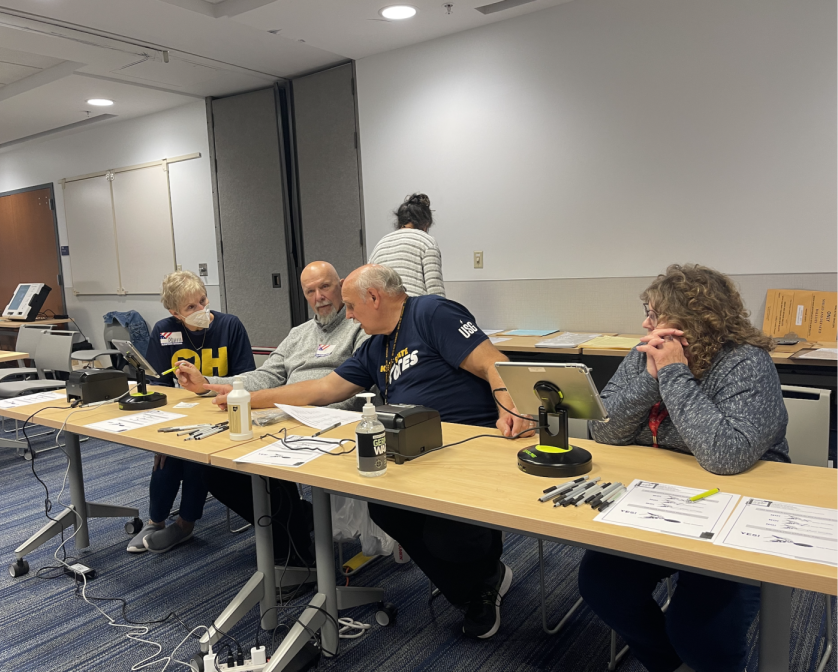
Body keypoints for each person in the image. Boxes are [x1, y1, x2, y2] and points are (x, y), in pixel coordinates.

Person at [210, 264, 531, 639]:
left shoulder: (430, 313)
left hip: (466, 448)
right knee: (383, 507)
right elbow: (321, 390)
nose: (348, 315)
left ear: (374, 297)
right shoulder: (377, 346)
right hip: (415, 452)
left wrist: (510, 405)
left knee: (449, 539)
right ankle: (476, 589)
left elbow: (494, 362)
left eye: (351, 306)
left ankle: (483, 574)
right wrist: (247, 398)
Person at [579, 263, 789, 672]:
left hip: (737, 510)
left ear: (690, 321)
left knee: (700, 630)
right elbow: (602, 431)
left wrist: (674, 373)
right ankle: (669, 663)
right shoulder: (644, 353)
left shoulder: (745, 363)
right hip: (659, 501)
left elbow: (725, 457)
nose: (645, 322)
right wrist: (650, 377)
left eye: (655, 313)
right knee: (602, 587)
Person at [173, 261, 368, 564]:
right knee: (216, 472)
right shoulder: (298, 334)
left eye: (326, 286)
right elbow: (265, 376)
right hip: (282, 419)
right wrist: (208, 384)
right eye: (310, 291)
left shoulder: (360, 328)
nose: (320, 296)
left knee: (264, 466)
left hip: (332, 425)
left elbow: (355, 388)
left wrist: (287, 408)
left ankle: (295, 559)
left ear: (340, 285)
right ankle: (295, 537)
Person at [127, 270, 255, 554]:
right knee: (167, 455)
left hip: (223, 411)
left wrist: (207, 387)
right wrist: (159, 436)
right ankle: (155, 521)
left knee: (195, 456)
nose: (201, 310)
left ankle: (185, 524)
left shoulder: (229, 326)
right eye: (190, 307)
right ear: (175, 312)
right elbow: (159, 384)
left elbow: (247, 379)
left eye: (202, 301)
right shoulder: (164, 330)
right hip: (184, 414)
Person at [368, 193, 445, 297]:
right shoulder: (427, 242)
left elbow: (367, 282)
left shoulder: (381, 243)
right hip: (413, 309)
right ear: (426, 224)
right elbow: (435, 292)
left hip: (382, 309)